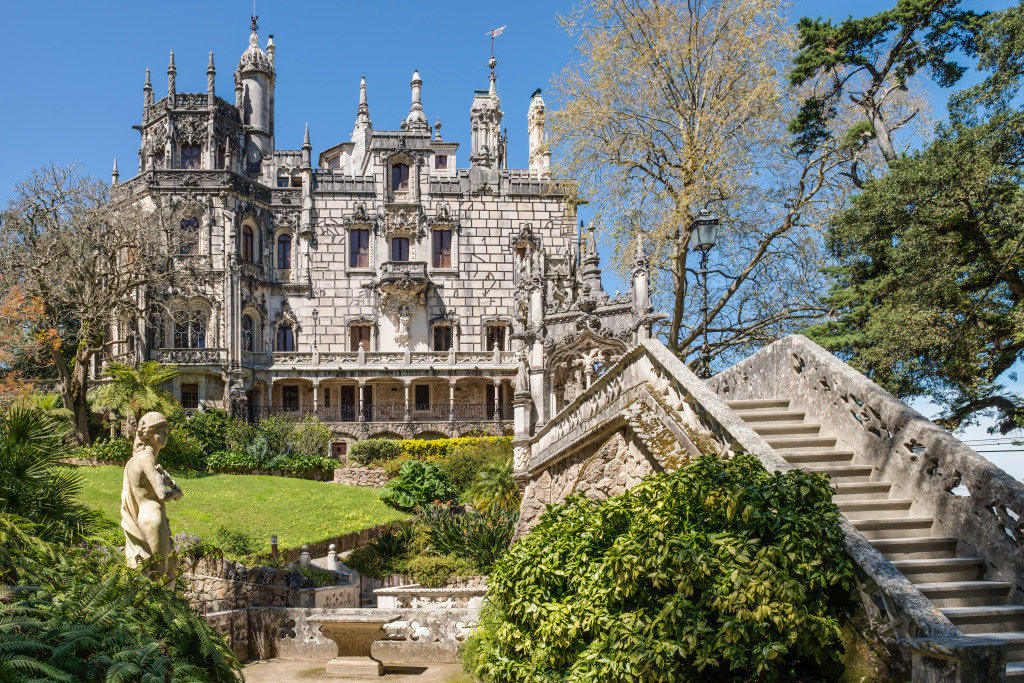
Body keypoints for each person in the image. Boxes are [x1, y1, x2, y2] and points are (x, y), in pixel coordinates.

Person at [120, 411, 183, 587]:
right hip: (154, 520)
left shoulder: (134, 460)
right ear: (147, 433)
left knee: (152, 573)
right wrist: (177, 492)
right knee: (162, 575)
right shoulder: (146, 459)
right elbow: (163, 494)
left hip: (142, 519)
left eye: (166, 433)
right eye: (160, 432)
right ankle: (160, 614)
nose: (164, 436)